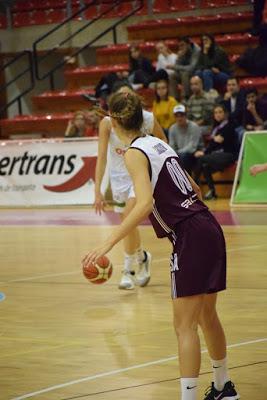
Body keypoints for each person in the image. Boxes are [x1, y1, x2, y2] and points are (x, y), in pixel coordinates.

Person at [83, 91, 240, 400]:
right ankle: (224, 387)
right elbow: (194, 186)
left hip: (189, 236)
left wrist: (108, 243)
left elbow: (143, 205)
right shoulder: (159, 143)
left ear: (114, 121)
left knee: (184, 327)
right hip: (208, 225)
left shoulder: (133, 153)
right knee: (208, 317)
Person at [94, 85, 167, 290]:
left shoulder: (148, 119)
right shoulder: (108, 123)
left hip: (139, 173)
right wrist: (97, 188)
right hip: (118, 179)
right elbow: (101, 157)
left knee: (128, 215)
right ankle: (142, 256)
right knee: (129, 224)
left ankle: (127, 269)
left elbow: (163, 142)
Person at [194, 105, 238, 200]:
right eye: (215, 112)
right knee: (206, 166)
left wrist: (204, 152)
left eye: (220, 112)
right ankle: (212, 193)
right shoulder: (216, 128)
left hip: (228, 155)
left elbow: (215, 143)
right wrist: (213, 140)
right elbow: (214, 142)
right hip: (218, 156)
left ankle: (192, 188)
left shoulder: (229, 126)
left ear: (226, 114)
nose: (217, 114)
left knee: (201, 159)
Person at [169, 104, 202, 174]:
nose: (179, 118)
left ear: (186, 116)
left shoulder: (194, 127)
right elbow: (172, 145)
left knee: (183, 157)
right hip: (180, 154)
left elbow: (192, 147)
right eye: (177, 116)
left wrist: (178, 153)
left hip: (194, 153)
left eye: (181, 115)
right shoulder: (172, 128)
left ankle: (187, 181)